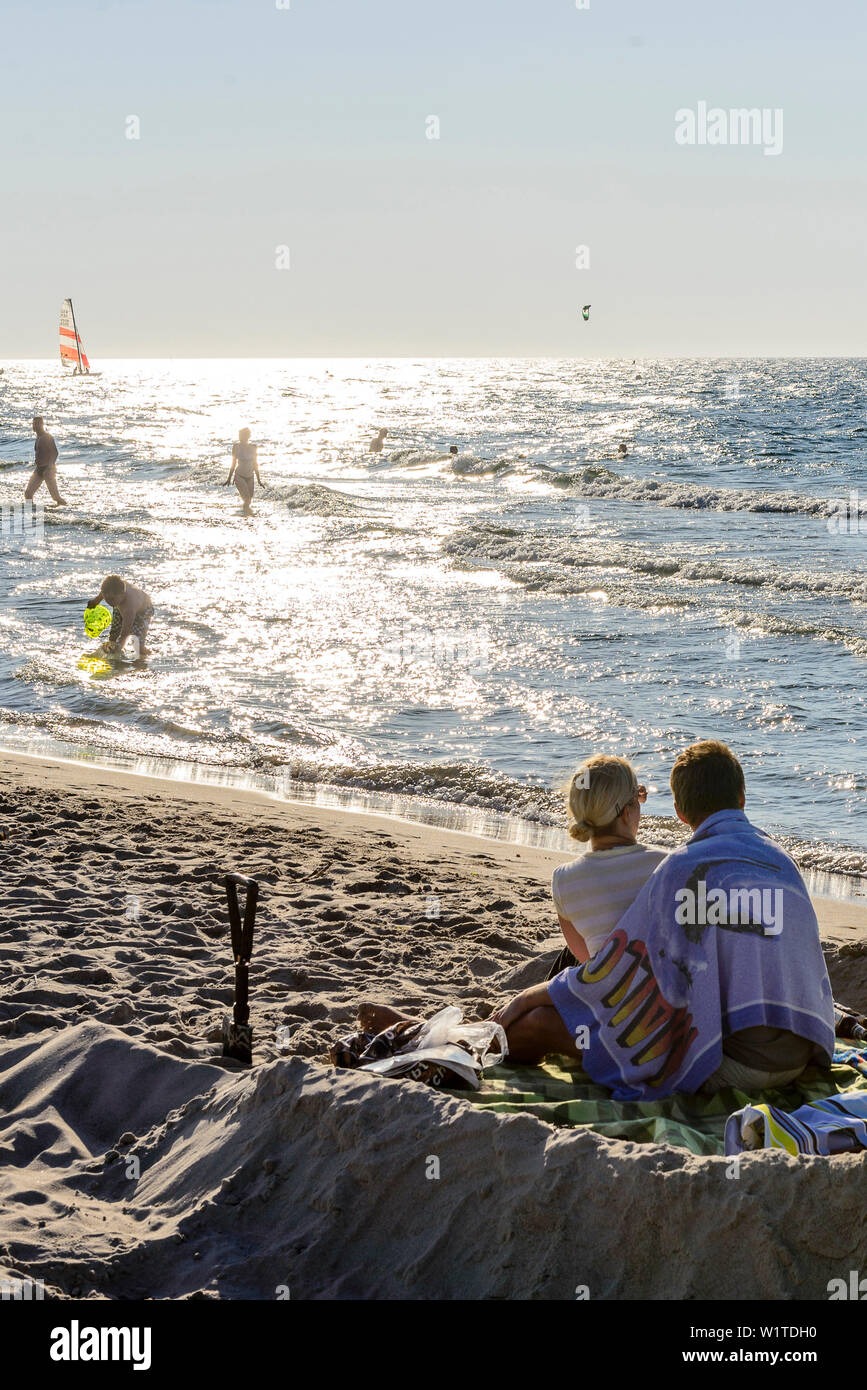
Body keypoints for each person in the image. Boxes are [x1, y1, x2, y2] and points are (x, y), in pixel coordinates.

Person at [493, 740, 835, 1097]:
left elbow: (613, 973)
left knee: (536, 1025)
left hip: (736, 1064)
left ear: (679, 813)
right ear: (742, 798)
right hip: (801, 1050)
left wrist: (528, 998)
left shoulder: (681, 869)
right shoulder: (783, 861)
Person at [547, 755, 667, 975]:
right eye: (638, 796)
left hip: (607, 992)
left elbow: (585, 958)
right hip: (659, 994)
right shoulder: (665, 864)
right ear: (626, 812)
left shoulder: (563, 879)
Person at [88, 575, 154, 658]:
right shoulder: (112, 592)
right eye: (106, 599)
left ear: (123, 593)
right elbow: (104, 593)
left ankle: (147, 657)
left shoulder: (129, 607)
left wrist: (118, 648)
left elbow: (125, 633)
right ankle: (115, 662)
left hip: (143, 611)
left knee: (138, 647)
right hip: (120, 605)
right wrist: (95, 602)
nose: (109, 602)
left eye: (112, 599)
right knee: (113, 636)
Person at [25, 417, 66, 505]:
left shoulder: (47, 437)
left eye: (38, 423)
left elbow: (55, 452)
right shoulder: (38, 437)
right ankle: (32, 514)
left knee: (55, 497)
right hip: (38, 469)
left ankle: (67, 510)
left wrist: (50, 467)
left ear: (42, 425)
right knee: (28, 494)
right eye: (34, 424)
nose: (35, 426)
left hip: (48, 469)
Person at [225, 428, 261, 515]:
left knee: (249, 500)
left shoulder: (253, 447)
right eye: (240, 436)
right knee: (247, 500)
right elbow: (233, 463)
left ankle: (244, 516)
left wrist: (258, 479)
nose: (241, 438)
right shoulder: (236, 447)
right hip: (239, 476)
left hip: (250, 476)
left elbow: (255, 464)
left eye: (243, 435)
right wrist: (229, 478)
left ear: (248, 436)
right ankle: (244, 520)